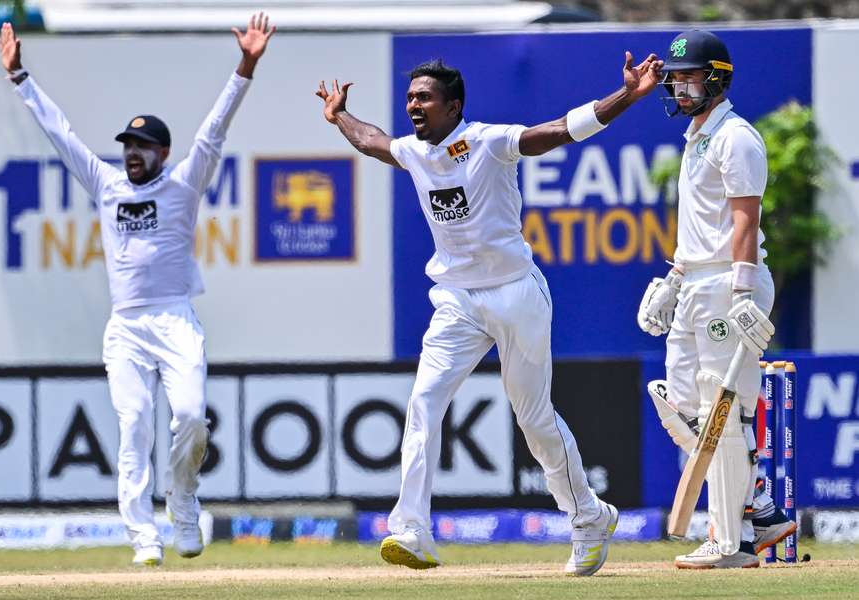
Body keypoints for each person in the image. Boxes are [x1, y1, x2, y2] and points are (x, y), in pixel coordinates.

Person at [317, 52, 662, 575]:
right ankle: (411, 531)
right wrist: (340, 114)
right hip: (456, 299)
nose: (414, 106)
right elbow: (371, 141)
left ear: (453, 105)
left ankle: (587, 517)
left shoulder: (488, 140)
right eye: (410, 98)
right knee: (423, 403)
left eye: (425, 98)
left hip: (516, 293)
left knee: (533, 417)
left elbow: (560, 131)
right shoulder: (413, 150)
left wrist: (627, 96)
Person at [0, 15, 275, 566]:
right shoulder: (105, 182)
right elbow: (60, 132)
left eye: (143, 146)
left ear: (163, 153)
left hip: (174, 320)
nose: (132, 152)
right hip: (125, 325)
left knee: (191, 416)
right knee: (133, 425)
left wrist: (246, 64)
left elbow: (214, 128)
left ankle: (184, 497)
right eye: (128, 143)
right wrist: (20, 77)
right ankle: (143, 536)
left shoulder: (184, 182)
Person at [637, 29, 796, 569]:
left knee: (721, 414)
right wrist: (674, 279)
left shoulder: (737, 138)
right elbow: (702, 223)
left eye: (689, 78)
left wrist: (744, 291)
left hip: (730, 284)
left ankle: (734, 542)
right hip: (696, 284)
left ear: (716, 79)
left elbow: (745, 221)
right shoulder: (698, 136)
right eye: (675, 79)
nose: (679, 88)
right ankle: (761, 508)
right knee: (679, 405)